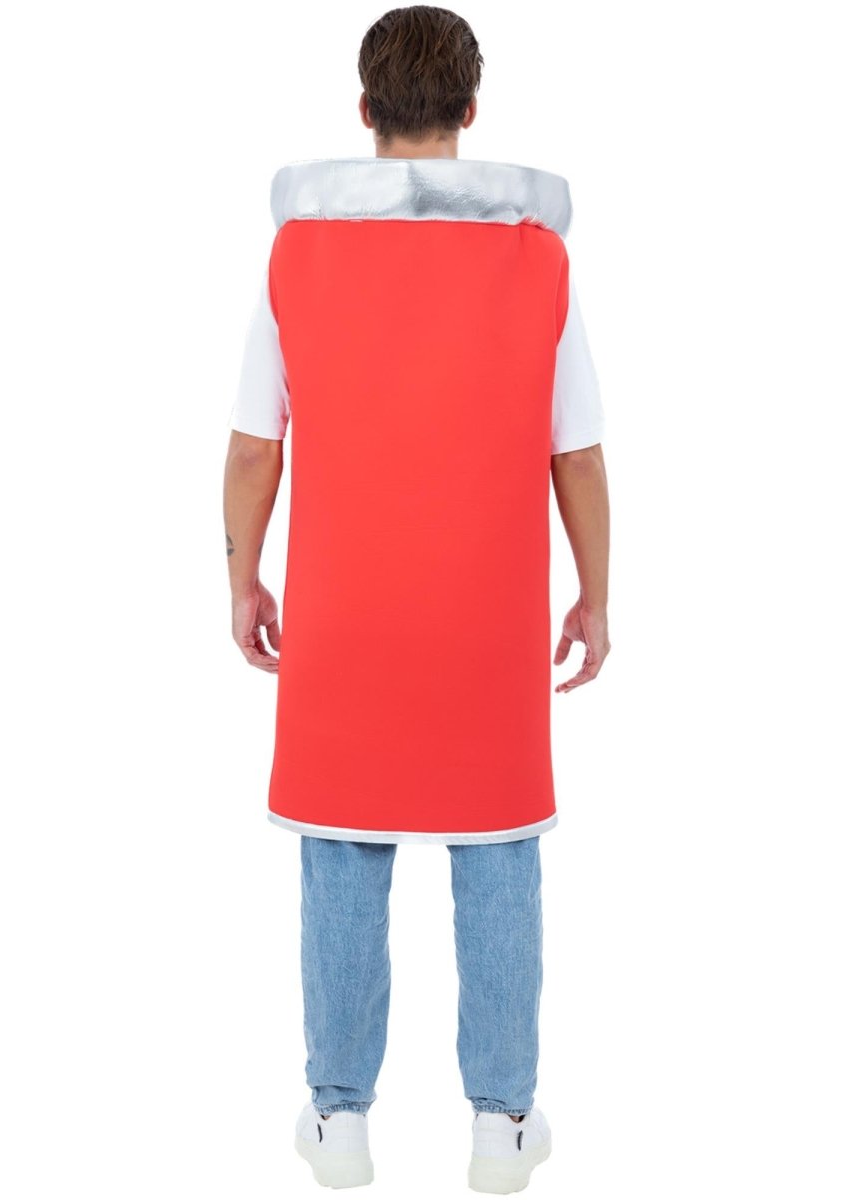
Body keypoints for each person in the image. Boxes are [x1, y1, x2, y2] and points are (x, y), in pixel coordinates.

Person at [222, 6, 610, 1192]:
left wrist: (242, 576)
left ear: (366, 110)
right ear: (470, 111)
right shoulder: (538, 261)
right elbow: (576, 454)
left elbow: (254, 448)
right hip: (487, 617)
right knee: (498, 852)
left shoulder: (297, 255)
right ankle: (503, 1124)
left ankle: (339, 1121)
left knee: (343, 846)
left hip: (346, 615)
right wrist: (595, 595)